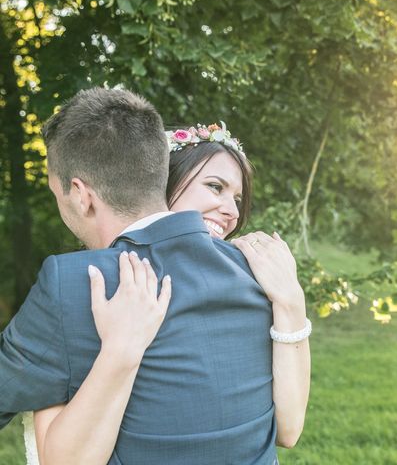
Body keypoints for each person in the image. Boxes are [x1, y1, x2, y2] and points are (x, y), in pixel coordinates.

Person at [0, 87, 310, 465]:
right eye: (214, 187)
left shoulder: (76, 283)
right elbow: (284, 430)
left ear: (81, 195)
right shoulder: (255, 274)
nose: (230, 210)